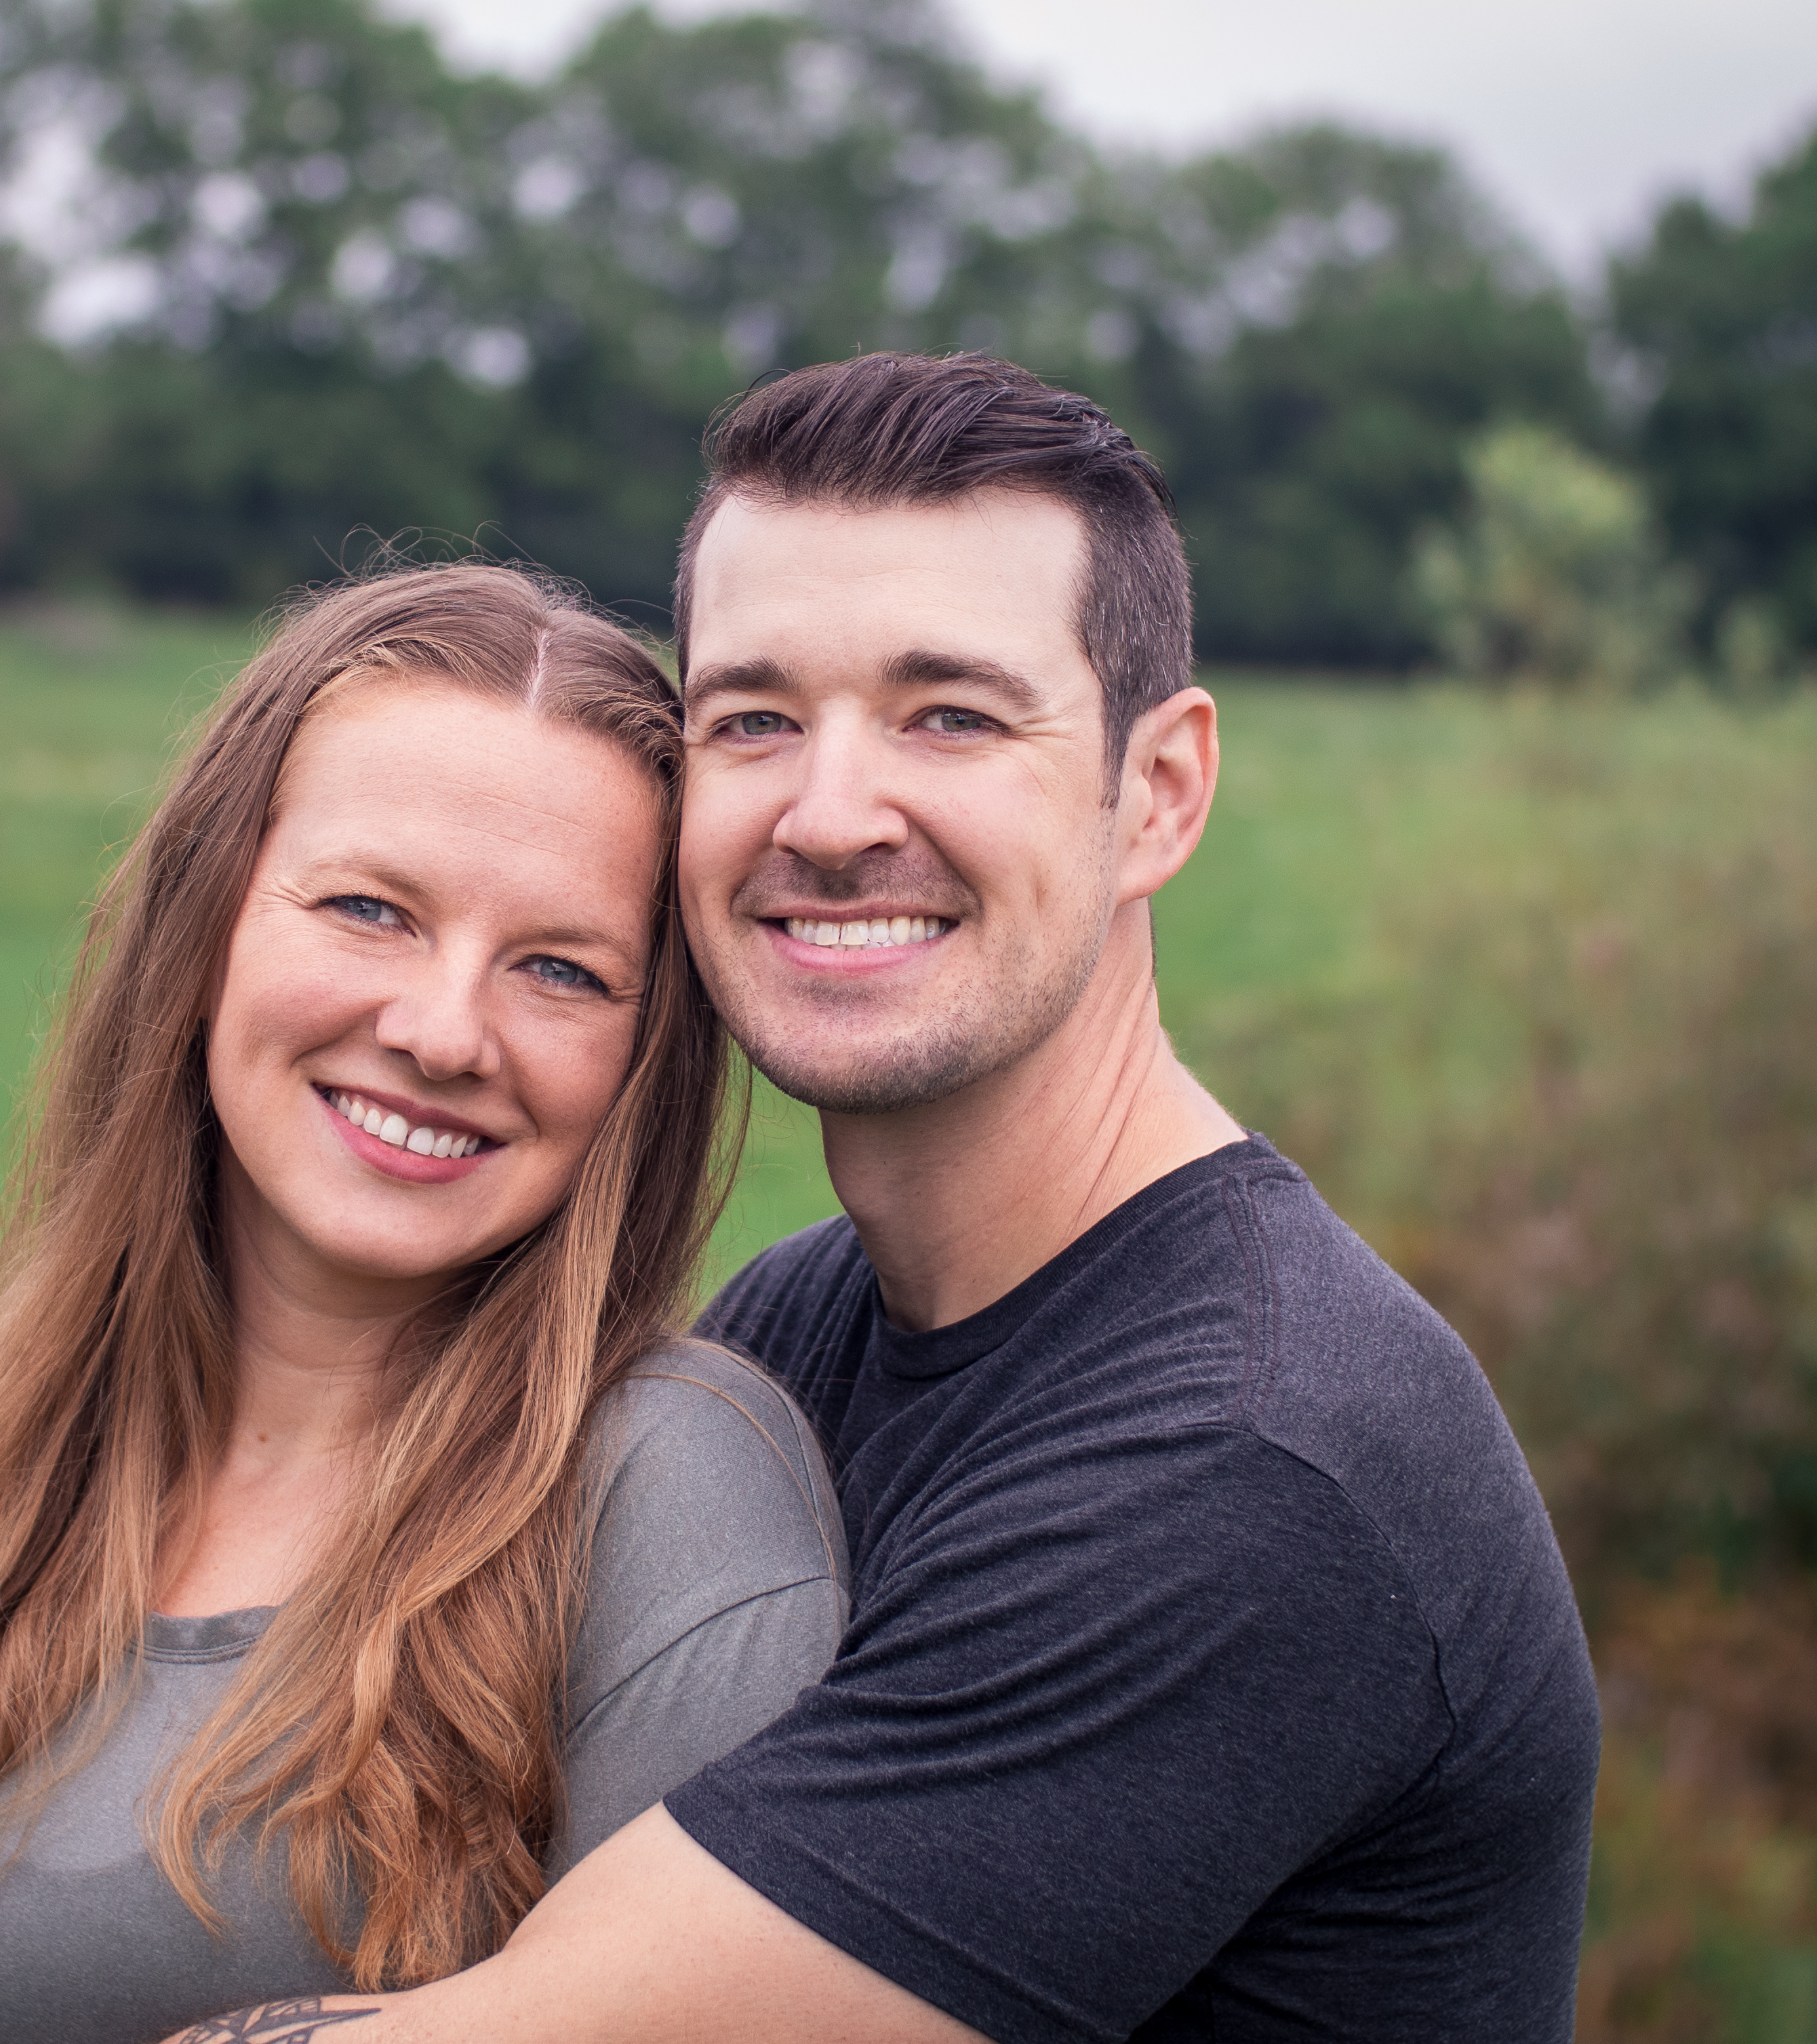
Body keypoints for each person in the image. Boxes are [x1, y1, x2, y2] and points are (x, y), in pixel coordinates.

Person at [165, 353, 1603, 2044]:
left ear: (1156, 791)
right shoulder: (793, 1329)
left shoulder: (1250, 1461)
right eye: (754, 718)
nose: (831, 816)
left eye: (951, 715)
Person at [0, 566, 846, 2043]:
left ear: (641, 1060)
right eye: (370, 908)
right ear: (206, 924)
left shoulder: (664, 1495)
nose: (445, 1030)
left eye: (560, 970)